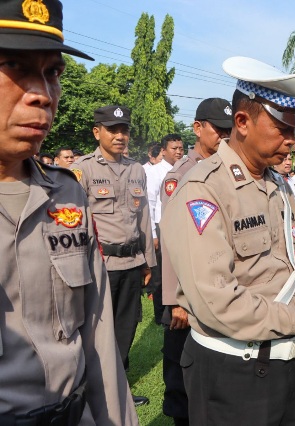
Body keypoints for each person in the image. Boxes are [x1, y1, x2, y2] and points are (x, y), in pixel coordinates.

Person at [160, 56, 295, 426]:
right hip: (232, 371)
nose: (291, 139)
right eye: (282, 126)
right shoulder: (203, 190)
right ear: (242, 122)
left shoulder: (276, 184)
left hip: (285, 362)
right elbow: (217, 301)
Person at [0, 1, 137, 423]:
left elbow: (96, 335)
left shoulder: (67, 194)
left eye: (52, 72)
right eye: (14, 65)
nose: (42, 93)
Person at [72, 105, 156, 407]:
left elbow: (143, 218)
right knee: (95, 328)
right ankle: (91, 390)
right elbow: (74, 220)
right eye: (113, 130)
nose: (121, 136)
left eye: (125, 130)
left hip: (132, 263)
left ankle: (117, 389)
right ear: (97, 132)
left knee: (125, 327)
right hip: (100, 264)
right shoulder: (82, 170)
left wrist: (149, 262)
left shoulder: (137, 170)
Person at [159, 97, 232, 426]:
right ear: (198, 128)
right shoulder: (182, 175)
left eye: (229, 130)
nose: (224, 136)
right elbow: (173, 240)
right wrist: (177, 301)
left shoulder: (226, 170)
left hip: (218, 288)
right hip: (185, 296)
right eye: (218, 129)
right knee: (181, 374)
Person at [146, 133, 184, 324]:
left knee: (180, 270)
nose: (178, 152)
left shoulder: (186, 169)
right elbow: (150, 204)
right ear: (163, 150)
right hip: (162, 228)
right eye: (173, 148)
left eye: (180, 148)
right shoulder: (154, 172)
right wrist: (153, 234)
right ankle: (161, 315)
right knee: (161, 274)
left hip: (181, 228)